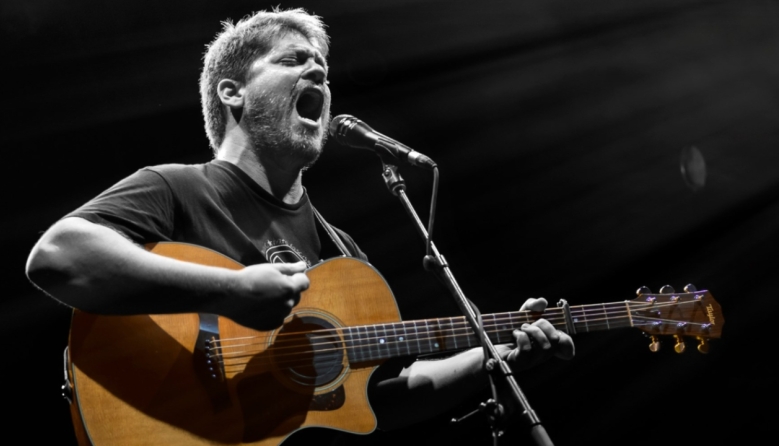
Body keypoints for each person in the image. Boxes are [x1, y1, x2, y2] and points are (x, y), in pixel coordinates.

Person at [26, 7, 574, 438]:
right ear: (232, 91)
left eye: (323, 70)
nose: (318, 73)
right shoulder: (179, 187)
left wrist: (496, 357)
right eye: (292, 60)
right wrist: (230, 292)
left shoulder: (342, 250)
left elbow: (380, 397)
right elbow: (58, 256)